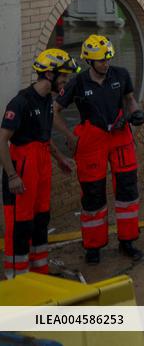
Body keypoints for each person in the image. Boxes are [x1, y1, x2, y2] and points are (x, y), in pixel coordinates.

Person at [54, 35, 144, 265]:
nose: (106, 63)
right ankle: (93, 246)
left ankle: (127, 241)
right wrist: (70, 136)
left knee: (127, 189)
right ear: (89, 61)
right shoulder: (78, 83)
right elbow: (53, 111)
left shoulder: (121, 75)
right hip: (91, 141)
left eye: (108, 59)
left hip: (120, 135)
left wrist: (136, 112)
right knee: (93, 193)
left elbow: (130, 99)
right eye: (101, 61)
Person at [2, 49, 78, 278]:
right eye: (63, 75)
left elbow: (43, 137)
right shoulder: (20, 102)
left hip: (41, 163)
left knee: (41, 219)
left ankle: (39, 272)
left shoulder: (47, 101)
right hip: (23, 166)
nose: (66, 80)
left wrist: (60, 158)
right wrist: (12, 176)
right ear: (49, 74)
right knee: (21, 223)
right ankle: (18, 278)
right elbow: (2, 140)